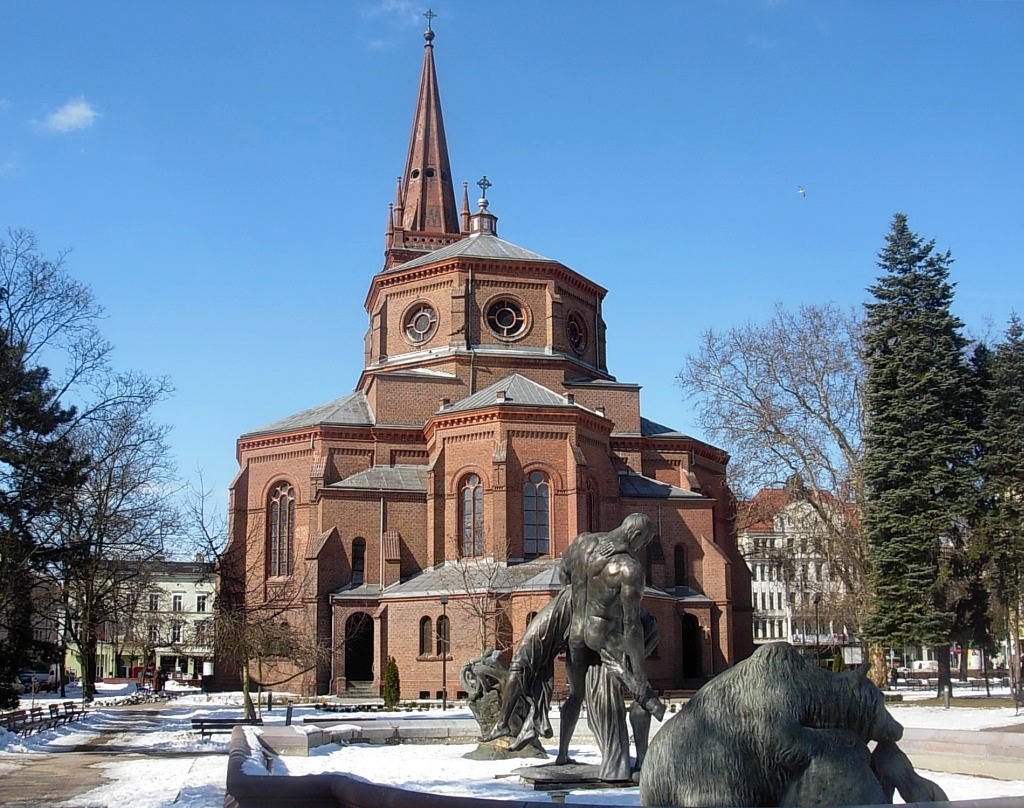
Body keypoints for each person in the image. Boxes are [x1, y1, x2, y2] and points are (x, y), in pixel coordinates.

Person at [556, 513, 666, 780]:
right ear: (637, 535)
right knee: (641, 693)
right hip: (604, 633)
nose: (641, 548)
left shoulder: (583, 543)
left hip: (577, 632)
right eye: (644, 542)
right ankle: (642, 759)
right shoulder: (629, 568)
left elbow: (563, 577)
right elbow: (631, 624)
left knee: (575, 694)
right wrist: (638, 674)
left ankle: (562, 753)